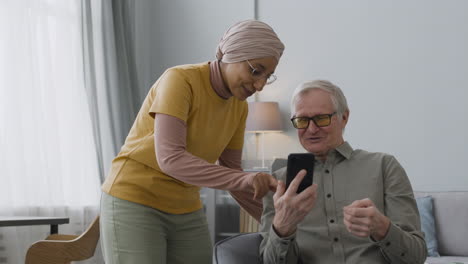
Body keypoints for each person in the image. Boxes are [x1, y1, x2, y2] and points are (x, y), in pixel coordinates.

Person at [100, 20, 284, 264]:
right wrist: (246, 179)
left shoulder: (239, 108)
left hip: (186, 207)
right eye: (255, 71)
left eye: (268, 76)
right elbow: (170, 158)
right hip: (135, 198)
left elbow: (232, 173)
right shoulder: (180, 80)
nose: (260, 84)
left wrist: (281, 222)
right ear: (231, 54)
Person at [260, 80, 427, 263]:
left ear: (344, 117)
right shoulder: (279, 184)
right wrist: (283, 226)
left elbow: (416, 258)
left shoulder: (384, 166)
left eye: (321, 118)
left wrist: (383, 229)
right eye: (302, 120)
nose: (312, 129)